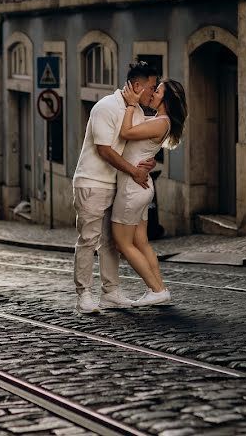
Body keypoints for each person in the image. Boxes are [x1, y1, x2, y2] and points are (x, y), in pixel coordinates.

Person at [72, 62, 160, 314]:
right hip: (92, 181)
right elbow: (104, 150)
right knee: (89, 239)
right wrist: (133, 171)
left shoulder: (138, 113)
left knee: (111, 242)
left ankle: (111, 292)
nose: (153, 94)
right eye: (151, 88)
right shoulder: (105, 107)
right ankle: (84, 294)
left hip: (117, 184)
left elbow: (137, 147)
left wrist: (149, 161)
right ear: (136, 86)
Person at [113, 79, 188, 306]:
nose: (153, 93)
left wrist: (129, 104)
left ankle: (155, 289)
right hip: (141, 186)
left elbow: (125, 132)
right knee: (141, 242)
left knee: (122, 243)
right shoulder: (159, 121)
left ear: (166, 100)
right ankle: (160, 289)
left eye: (158, 91)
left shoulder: (160, 122)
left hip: (132, 187)